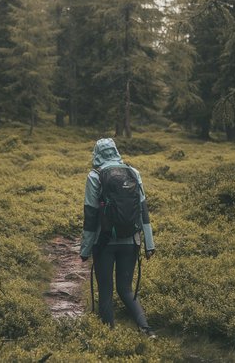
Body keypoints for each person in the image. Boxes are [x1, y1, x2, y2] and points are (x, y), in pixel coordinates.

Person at [80, 138, 156, 337]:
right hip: (131, 241)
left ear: (96, 153)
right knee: (126, 289)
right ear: (115, 151)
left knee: (105, 291)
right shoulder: (133, 172)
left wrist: (85, 250)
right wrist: (149, 244)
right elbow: (143, 211)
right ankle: (147, 330)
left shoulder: (95, 176)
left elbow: (90, 215)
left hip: (103, 242)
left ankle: (109, 337)